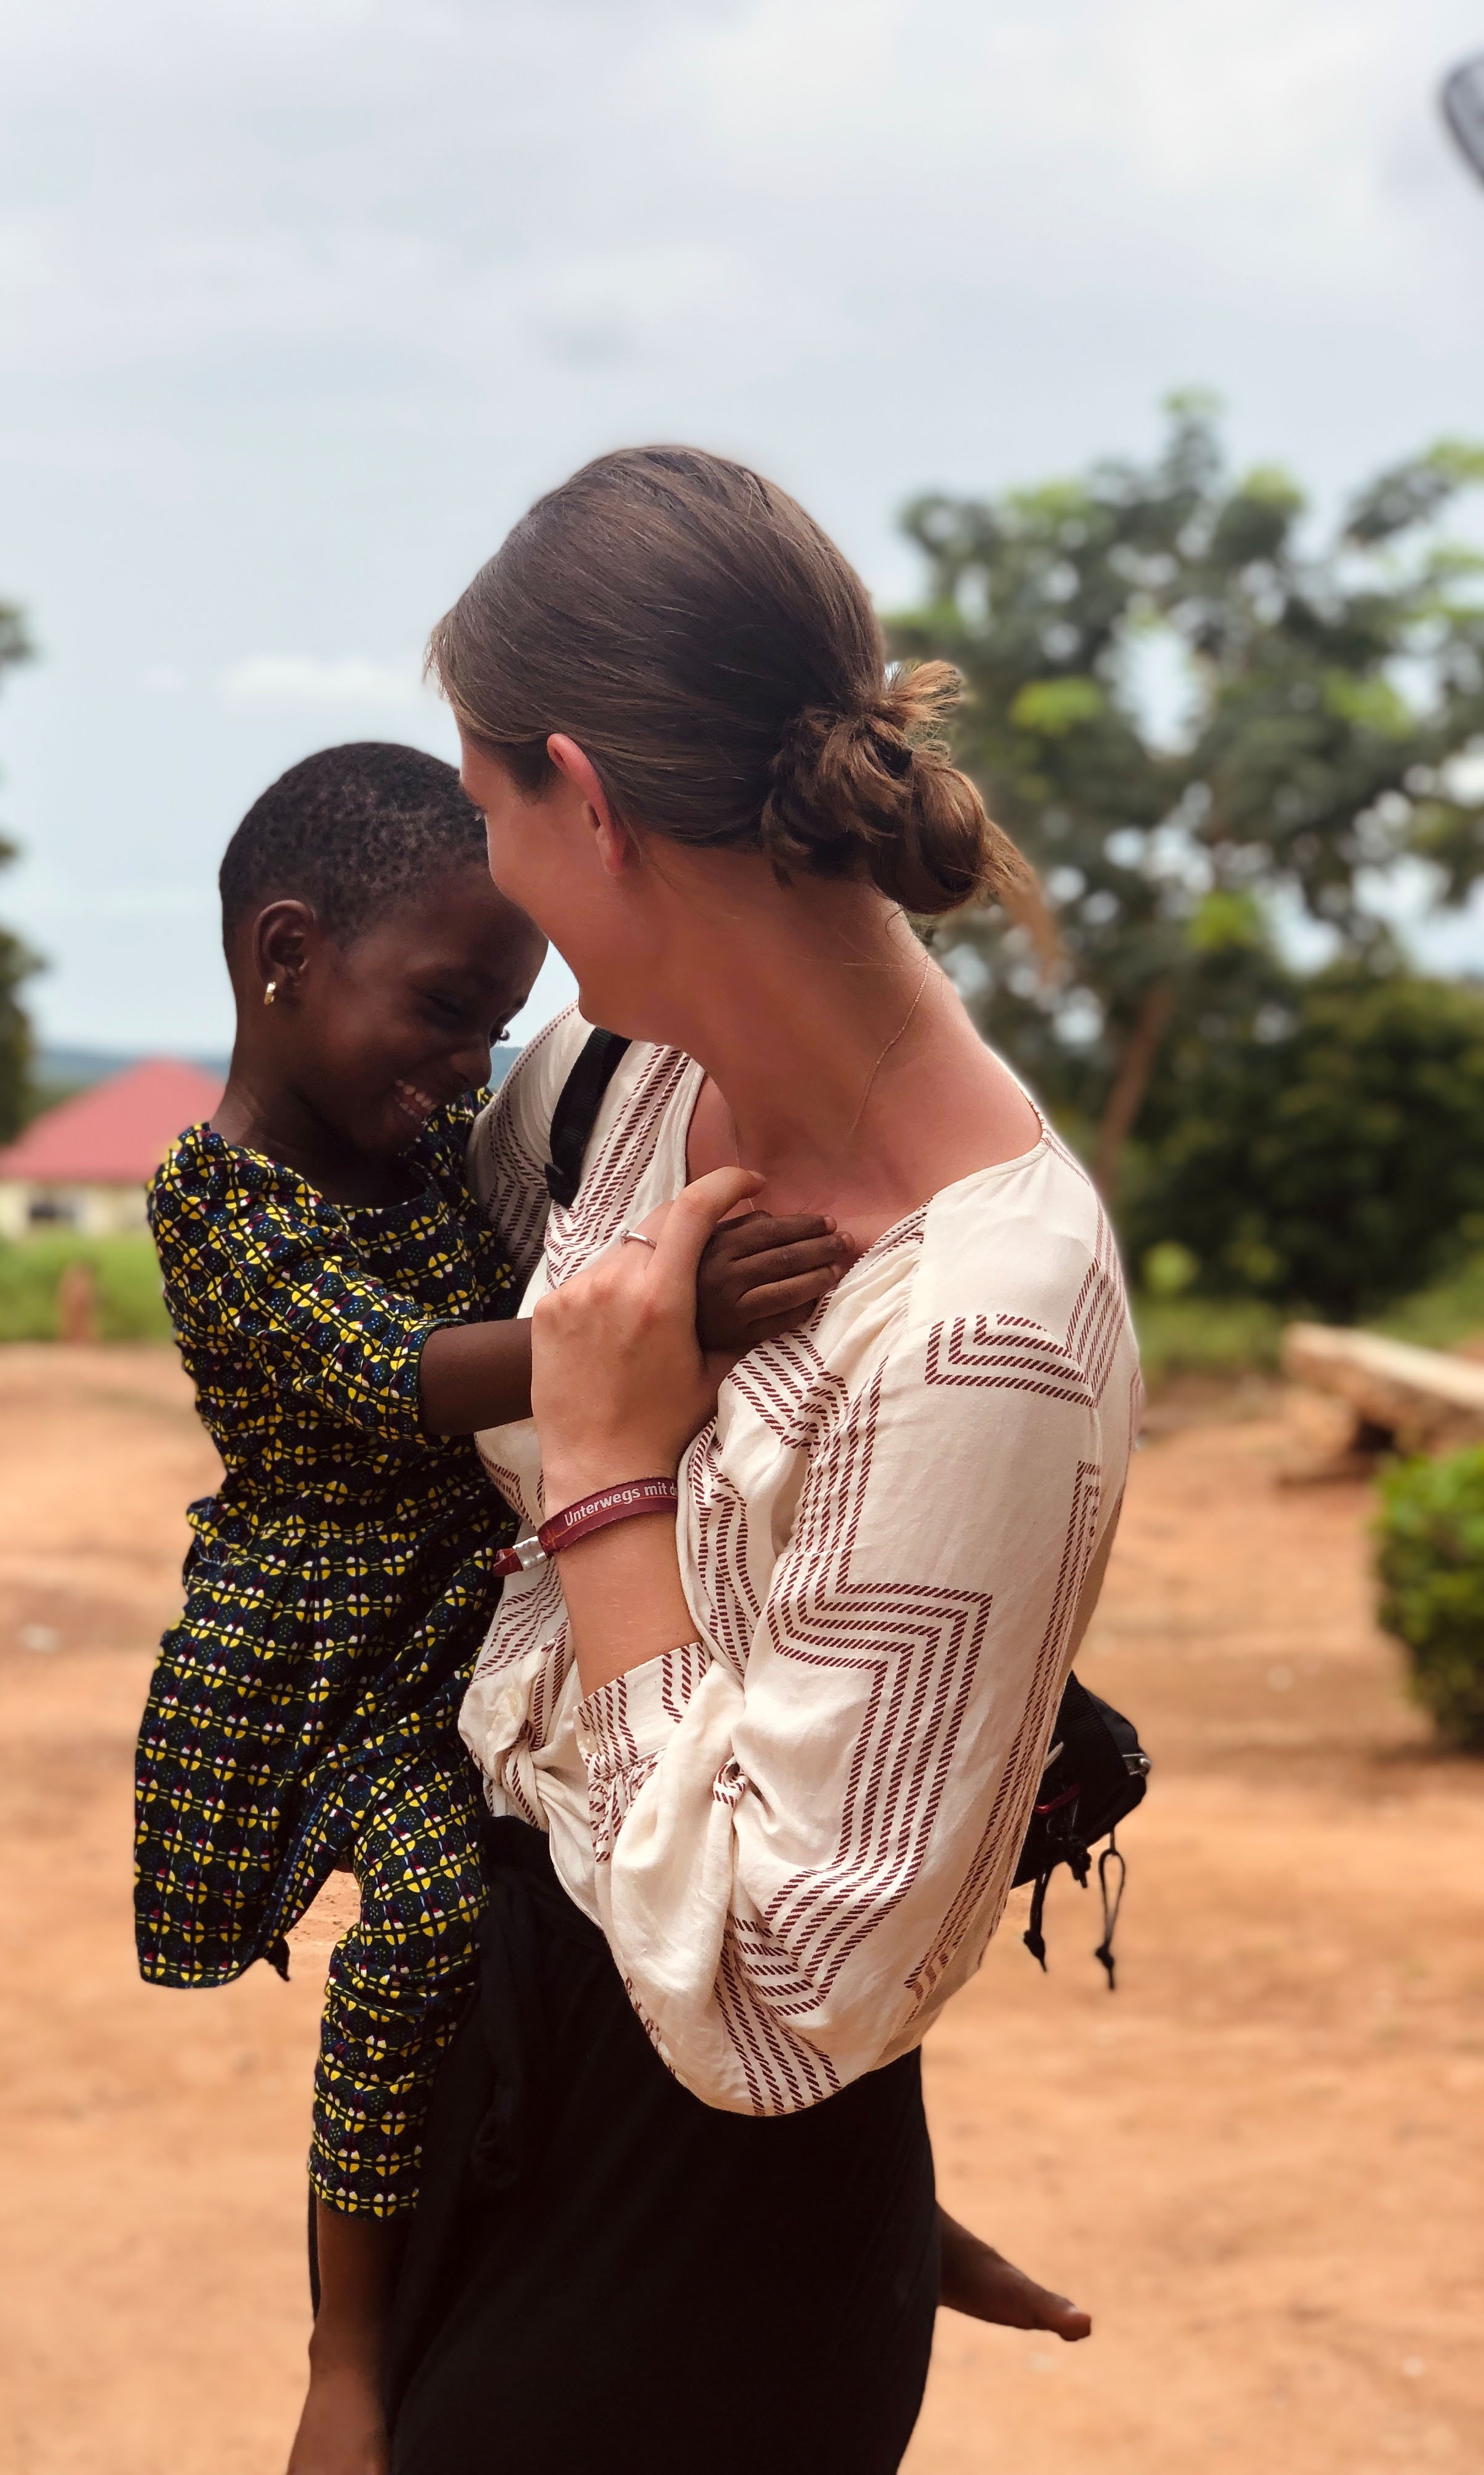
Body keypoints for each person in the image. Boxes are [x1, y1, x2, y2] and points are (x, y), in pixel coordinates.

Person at [133, 742, 1091, 2475]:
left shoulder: (456, 1137)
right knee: (421, 1923)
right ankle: (345, 2350)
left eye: (484, 1024)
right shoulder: (226, 1202)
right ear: (283, 954)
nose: (468, 1058)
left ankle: (863, 2182)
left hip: (514, 1692)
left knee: (1018, 1762)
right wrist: (654, 1315)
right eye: (443, 1007)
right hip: (346, 1662)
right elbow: (404, 1373)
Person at [380, 448, 1139, 2474]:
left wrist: (620, 1472)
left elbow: (775, 2011)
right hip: (509, 2058)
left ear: (589, 803)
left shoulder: (986, 1318)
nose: (499, 893)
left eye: (488, 822)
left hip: (704, 2235)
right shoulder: (609, 1087)